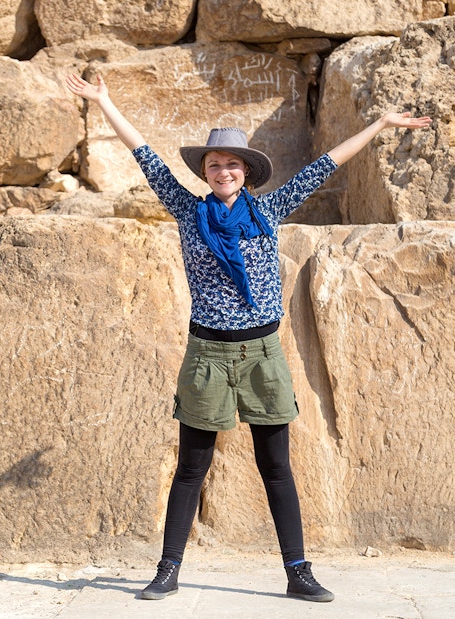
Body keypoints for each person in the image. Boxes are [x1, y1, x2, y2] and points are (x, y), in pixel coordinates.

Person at [65, 73, 431, 603]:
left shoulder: (269, 211)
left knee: (276, 465)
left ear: (247, 172)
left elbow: (326, 164)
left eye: (232, 164)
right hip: (207, 352)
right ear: (205, 171)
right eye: (214, 164)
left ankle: (298, 572)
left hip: (263, 352)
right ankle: (168, 570)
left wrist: (378, 124)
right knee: (193, 464)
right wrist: (103, 102)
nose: (223, 171)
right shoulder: (190, 211)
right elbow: (145, 155)